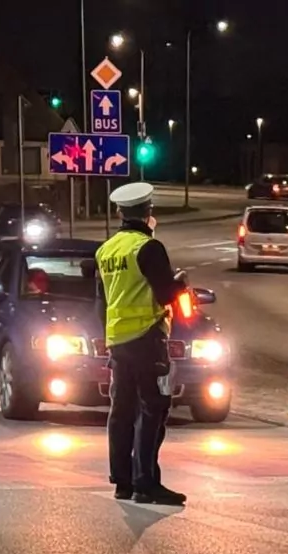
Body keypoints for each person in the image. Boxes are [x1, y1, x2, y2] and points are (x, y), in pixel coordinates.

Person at [97, 181, 188, 506]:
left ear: (120, 212)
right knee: (153, 409)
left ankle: (121, 480)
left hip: (118, 342)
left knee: (121, 411)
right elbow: (164, 294)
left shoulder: (106, 251)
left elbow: (102, 304)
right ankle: (145, 482)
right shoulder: (148, 248)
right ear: (148, 212)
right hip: (148, 339)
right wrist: (179, 284)